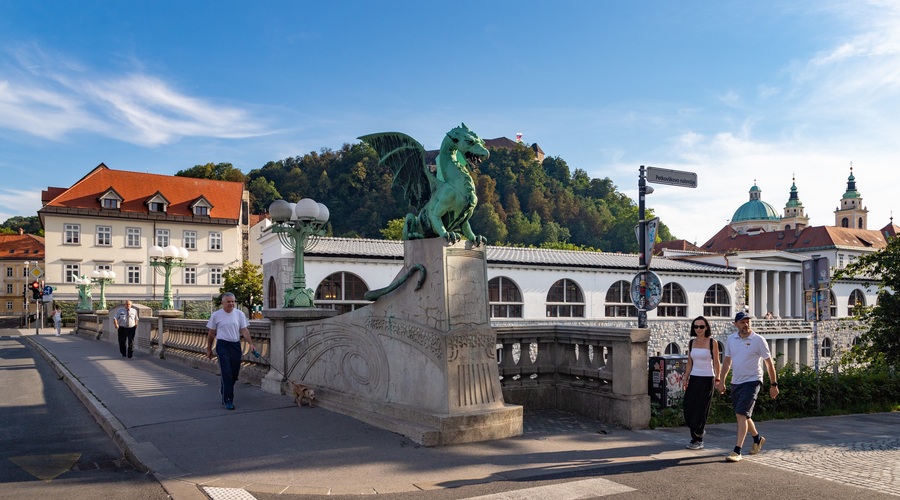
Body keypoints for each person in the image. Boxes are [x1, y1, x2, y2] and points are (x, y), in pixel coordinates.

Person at [717, 312, 779, 462]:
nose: (746, 325)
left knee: (740, 414)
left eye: (748, 322)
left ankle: (737, 451)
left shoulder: (759, 340)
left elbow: (769, 364)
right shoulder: (731, 339)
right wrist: (722, 380)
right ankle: (757, 438)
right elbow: (727, 362)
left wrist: (774, 384)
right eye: (742, 322)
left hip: (753, 380)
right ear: (736, 324)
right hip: (736, 381)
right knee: (743, 415)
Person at [206, 292, 255, 411]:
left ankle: (224, 388)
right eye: (228, 301)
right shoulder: (216, 315)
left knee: (234, 374)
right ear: (223, 303)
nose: (231, 304)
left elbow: (244, 330)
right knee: (226, 372)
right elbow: (211, 333)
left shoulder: (239, 314)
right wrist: (208, 349)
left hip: (235, 345)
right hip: (222, 345)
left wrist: (251, 344)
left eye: (233, 301)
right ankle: (228, 399)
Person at [682, 316, 721, 450]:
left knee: (701, 409)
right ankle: (698, 431)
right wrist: (685, 378)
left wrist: (718, 378)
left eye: (701, 327)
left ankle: (697, 439)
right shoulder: (691, 342)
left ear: (706, 328)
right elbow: (689, 362)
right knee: (688, 407)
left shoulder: (712, 342)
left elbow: (716, 362)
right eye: (696, 327)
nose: (698, 329)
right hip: (694, 377)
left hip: (707, 378)